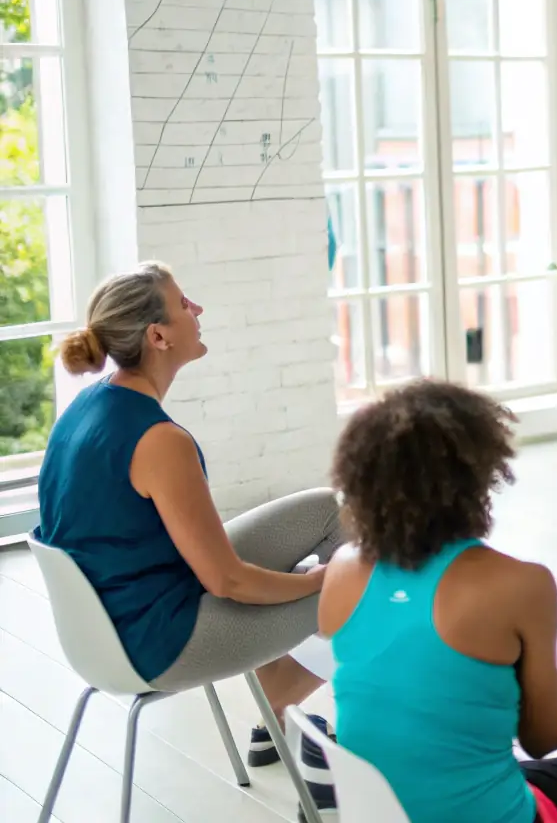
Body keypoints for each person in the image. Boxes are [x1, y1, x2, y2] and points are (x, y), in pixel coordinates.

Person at [34, 262, 344, 802]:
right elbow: (228, 582)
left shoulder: (89, 404)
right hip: (162, 641)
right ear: (158, 337)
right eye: (184, 304)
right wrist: (319, 583)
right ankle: (316, 724)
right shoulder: (159, 441)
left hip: (114, 623)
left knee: (327, 511)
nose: (197, 310)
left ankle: (282, 699)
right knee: (364, 583)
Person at [319, 380, 557, 823]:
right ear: (478, 475)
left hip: (376, 813)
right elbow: (542, 739)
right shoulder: (520, 584)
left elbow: (423, 680)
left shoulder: (342, 568)